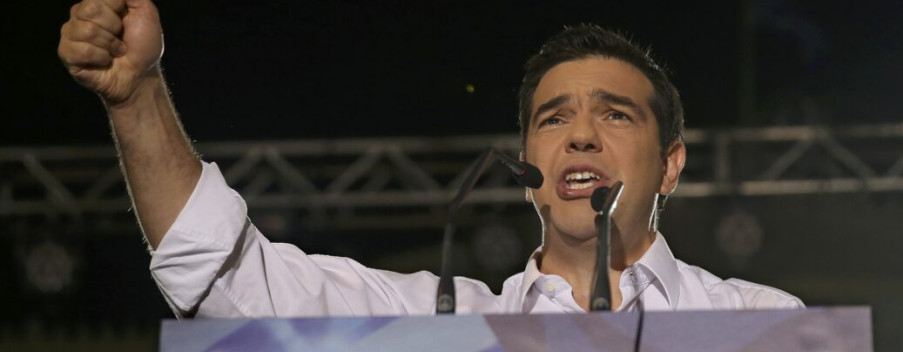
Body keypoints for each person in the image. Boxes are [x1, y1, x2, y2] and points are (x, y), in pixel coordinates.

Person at [58, 0, 802, 318]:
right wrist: (137, 97)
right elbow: (227, 277)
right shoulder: (433, 326)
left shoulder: (755, 320)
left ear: (670, 165)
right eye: (553, 119)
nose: (580, 136)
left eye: (614, 114)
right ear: (526, 166)